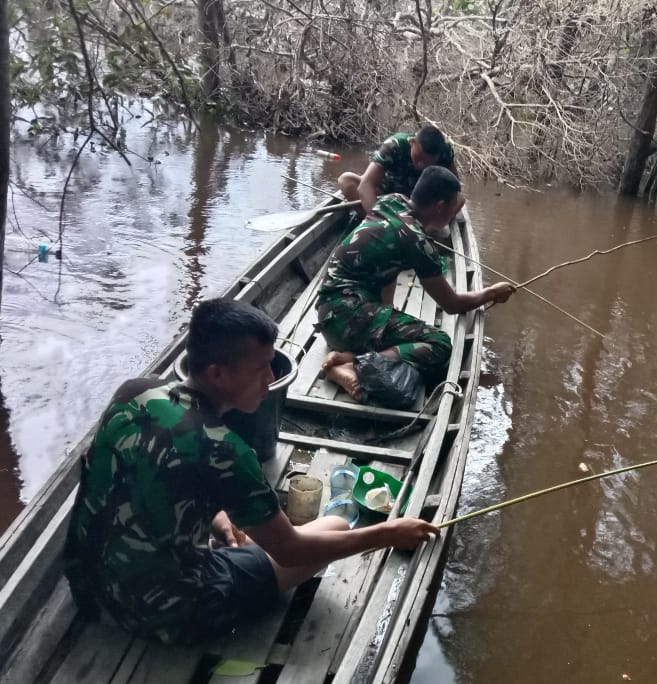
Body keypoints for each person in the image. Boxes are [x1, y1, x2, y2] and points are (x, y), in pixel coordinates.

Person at [63, 299, 439, 645]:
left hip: (89, 588)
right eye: (261, 369)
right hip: (168, 614)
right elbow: (292, 551)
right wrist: (386, 533)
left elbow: (137, 476)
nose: (269, 379)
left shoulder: (135, 392)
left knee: (236, 532)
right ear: (218, 374)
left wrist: (217, 517)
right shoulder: (225, 450)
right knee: (336, 527)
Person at [317, 165, 513, 401]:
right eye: (453, 208)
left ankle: (351, 354)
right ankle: (352, 365)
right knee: (439, 344)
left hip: (327, 311)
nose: (453, 213)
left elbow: (388, 273)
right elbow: (452, 304)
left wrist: (387, 311)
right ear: (440, 206)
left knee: (394, 325)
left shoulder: (392, 201)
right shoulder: (417, 242)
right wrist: (491, 293)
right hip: (347, 321)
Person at [338, 125, 457, 213]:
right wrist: (377, 218)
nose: (421, 165)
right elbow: (366, 185)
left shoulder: (445, 152)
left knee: (454, 202)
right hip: (385, 196)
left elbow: (455, 191)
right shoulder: (394, 145)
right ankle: (370, 221)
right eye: (419, 158)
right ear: (412, 142)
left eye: (428, 162)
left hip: (417, 204)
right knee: (346, 180)